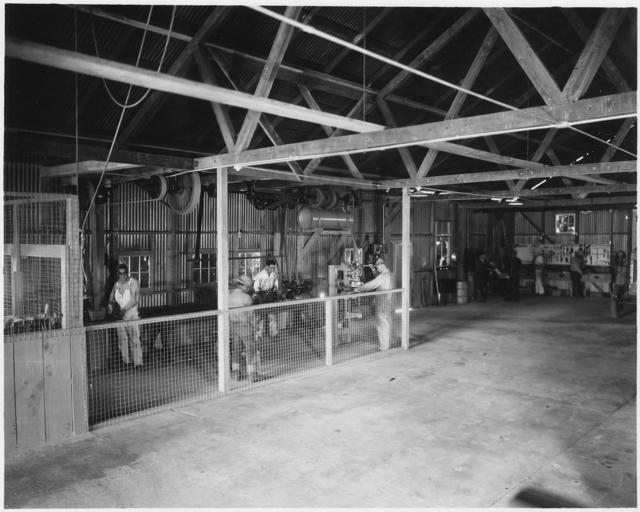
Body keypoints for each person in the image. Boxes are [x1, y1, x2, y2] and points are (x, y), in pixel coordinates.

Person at [229, 275, 267, 383]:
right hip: (245, 327)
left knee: (236, 350)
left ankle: (235, 374)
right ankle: (252, 375)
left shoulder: (229, 296)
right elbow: (251, 316)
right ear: (243, 286)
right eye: (248, 287)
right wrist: (256, 329)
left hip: (233, 326)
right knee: (251, 350)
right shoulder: (246, 298)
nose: (249, 289)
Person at [108, 263, 143, 368]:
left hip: (132, 314)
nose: (122, 276)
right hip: (120, 316)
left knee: (135, 339)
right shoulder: (116, 285)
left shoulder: (133, 282)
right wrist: (110, 306)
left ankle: (138, 363)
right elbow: (111, 298)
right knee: (122, 340)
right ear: (117, 274)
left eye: (124, 273)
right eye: (120, 273)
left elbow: (134, 300)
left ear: (127, 273)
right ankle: (126, 362)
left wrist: (124, 309)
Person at [355, 257, 393, 350]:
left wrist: (359, 288)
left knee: (382, 324)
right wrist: (372, 269)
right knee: (387, 323)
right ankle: (388, 344)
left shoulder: (383, 276)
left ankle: (384, 346)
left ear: (382, 265)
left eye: (377, 267)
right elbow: (378, 278)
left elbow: (372, 284)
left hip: (383, 303)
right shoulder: (389, 274)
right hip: (389, 302)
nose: (377, 269)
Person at [253, 257, 280, 339]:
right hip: (261, 297)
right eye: (271, 267)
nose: (272, 269)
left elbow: (276, 285)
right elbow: (256, 287)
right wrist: (259, 293)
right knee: (260, 317)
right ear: (266, 266)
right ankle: (258, 335)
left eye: (273, 267)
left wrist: (275, 288)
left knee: (272, 316)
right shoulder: (260, 275)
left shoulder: (274, 275)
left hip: (270, 297)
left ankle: (273, 333)